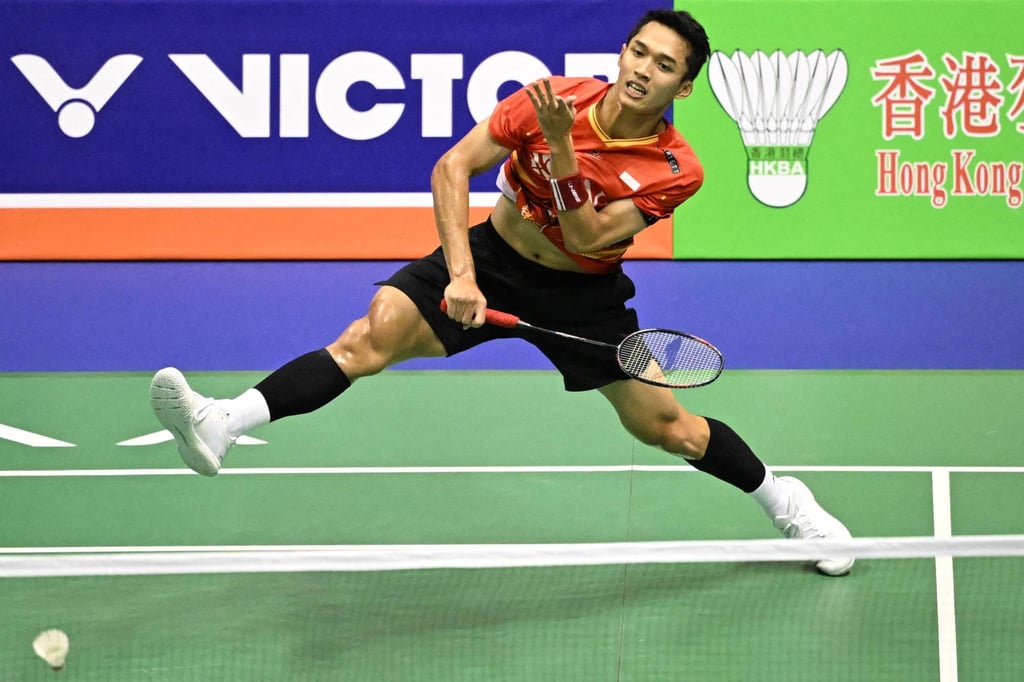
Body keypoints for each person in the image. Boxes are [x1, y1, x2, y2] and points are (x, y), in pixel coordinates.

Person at [150, 9, 854, 576]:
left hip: (581, 296)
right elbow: (453, 167)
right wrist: (461, 273)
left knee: (670, 428)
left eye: (664, 65)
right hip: (490, 257)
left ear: (684, 87)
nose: (644, 70)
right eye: (639, 52)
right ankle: (222, 422)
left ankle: (788, 503)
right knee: (368, 337)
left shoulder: (674, 167)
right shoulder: (551, 96)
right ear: (622, 52)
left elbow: (584, 236)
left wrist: (563, 148)